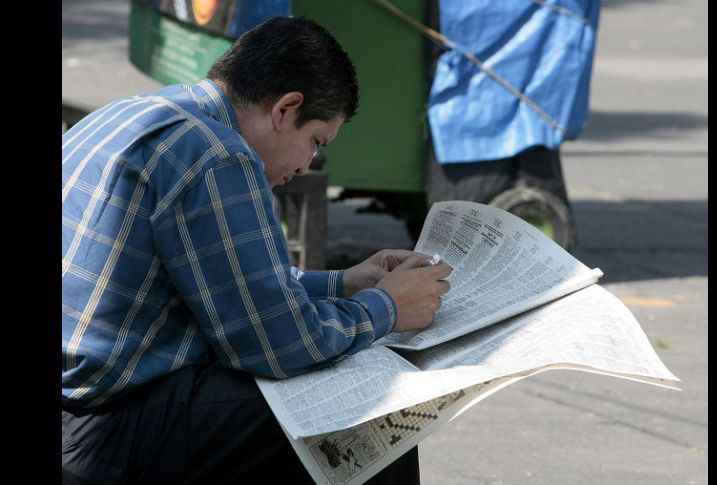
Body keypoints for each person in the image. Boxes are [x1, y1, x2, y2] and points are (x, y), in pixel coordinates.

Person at [62, 16, 451, 484]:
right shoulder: (216, 153)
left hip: (85, 404)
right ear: (286, 109)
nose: (307, 165)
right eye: (316, 142)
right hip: (100, 426)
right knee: (372, 420)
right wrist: (386, 309)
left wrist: (344, 283)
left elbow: (230, 283)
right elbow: (279, 344)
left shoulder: (136, 113)